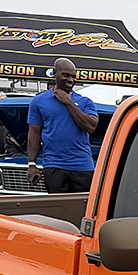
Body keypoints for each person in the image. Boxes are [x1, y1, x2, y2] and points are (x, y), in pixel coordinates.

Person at [27, 58, 97, 193]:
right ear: (54, 73)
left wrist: (68, 102)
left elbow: (90, 127)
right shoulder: (38, 102)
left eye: (73, 76)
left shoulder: (85, 102)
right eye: (65, 75)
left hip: (82, 166)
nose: (70, 80)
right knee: (57, 205)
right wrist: (32, 164)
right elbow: (34, 134)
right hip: (54, 166)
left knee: (82, 205)